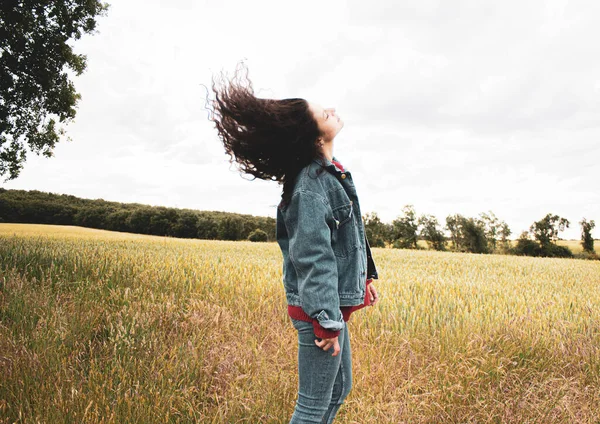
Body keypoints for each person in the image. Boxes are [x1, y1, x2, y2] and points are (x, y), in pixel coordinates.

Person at [209, 64, 380, 423]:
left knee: (338, 389)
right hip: (319, 313)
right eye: (323, 113)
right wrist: (326, 324)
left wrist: (363, 279)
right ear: (314, 135)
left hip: (329, 308)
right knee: (313, 405)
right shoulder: (310, 186)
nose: (331, 109)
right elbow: (313, 257)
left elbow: (346, 238)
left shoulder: (331, 174)